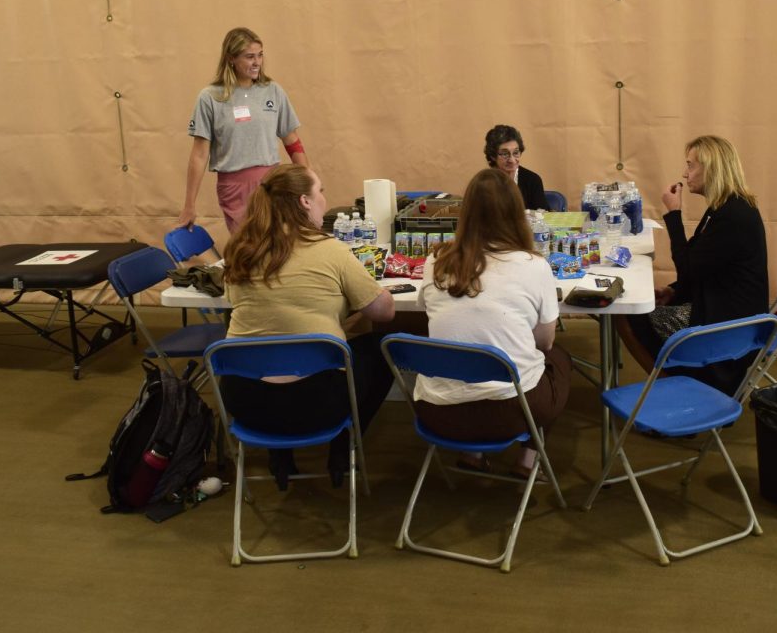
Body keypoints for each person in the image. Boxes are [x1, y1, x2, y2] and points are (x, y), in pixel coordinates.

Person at [218, 164, 395, 488]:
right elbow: (383, 311)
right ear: (304, 201)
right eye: (321, 192)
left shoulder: (240, 251)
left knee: (251, 342)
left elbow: (239, 304)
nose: (324, 200)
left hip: (246, 402)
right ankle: (344, 443)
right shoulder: (331, 251)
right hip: (318, 403)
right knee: (381, 348)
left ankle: (278, 454)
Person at [414, 167, 571, 478]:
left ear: (465, 212)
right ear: (517, 213)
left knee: (469, 354)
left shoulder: (436, 262)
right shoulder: (533, 266)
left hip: (436, 412)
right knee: (559, 360)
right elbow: (545, 343)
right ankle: (526, 461)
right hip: (508, 414)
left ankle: (472, 454)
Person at [617, 135, 769, 396]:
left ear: (711, 168)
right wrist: (675, 291)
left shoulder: (733, 216)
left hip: (724, 325)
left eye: (690, 166)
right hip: (717, 304)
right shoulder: (725, 208)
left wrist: (673, 214)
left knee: (623, 315)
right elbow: (703, 266)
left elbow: (688, 266)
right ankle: (680, 384)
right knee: (635, 307)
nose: (685, 174)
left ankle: (682, 390)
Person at [176, 27, 309, 234]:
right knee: (251, 249)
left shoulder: (273, 90)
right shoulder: (210, 97)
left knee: (280, 246)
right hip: (235, 188)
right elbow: (199, 155)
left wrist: (307, 185)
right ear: (231, 58)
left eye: (260, 55)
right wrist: (189, 205)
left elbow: (292, 141)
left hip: (273, 184)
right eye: (249, 57)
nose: (257, 62)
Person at [483, 124, 549, 211]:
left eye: (516, 153)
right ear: (492, 156)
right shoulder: (483, 183)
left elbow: (543, 215)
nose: (512, 160)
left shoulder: (532, 180)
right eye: (505, 154)